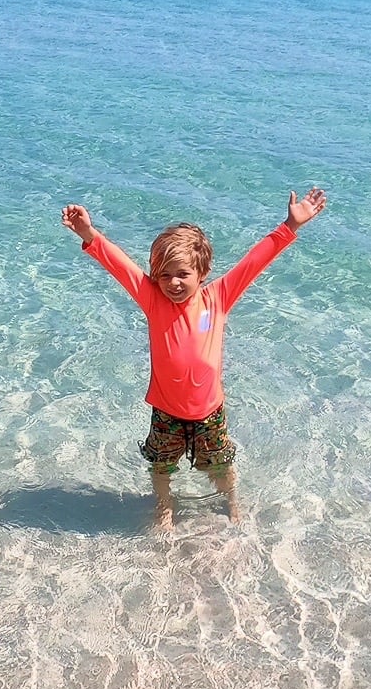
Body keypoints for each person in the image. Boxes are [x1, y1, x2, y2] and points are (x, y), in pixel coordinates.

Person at [60, 187, 327, 531]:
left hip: (209, 412)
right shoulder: (152, 299)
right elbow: (120, 265)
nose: (172, 283)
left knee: (220, 465)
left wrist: (289, 226)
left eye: (182, 274)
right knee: (160, 465)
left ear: (202, 273)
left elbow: (253, 262)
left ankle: (232, 500)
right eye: (165, 274)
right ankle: (164, 507)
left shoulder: (217, 298)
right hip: (166, 411)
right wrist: (88, 233)